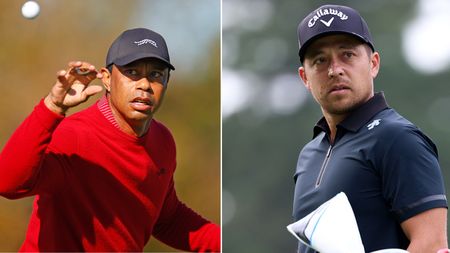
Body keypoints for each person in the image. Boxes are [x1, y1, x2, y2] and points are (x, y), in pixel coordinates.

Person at [0, 28, 220, 252]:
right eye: (132, 72)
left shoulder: (162, 141)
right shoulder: (74, 136)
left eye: (156, 74)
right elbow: (7, 183)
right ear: (106, 78)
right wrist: (52, 107)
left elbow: (168, 218)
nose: (144, 84)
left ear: (166, 82)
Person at [292, 4, 447, 253]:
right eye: (320, 60)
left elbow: (432, 244)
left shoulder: (397, 138)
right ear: (305, 78)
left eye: (348, 55)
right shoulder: (309, 155)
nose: (335, 70)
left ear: (373, 64)